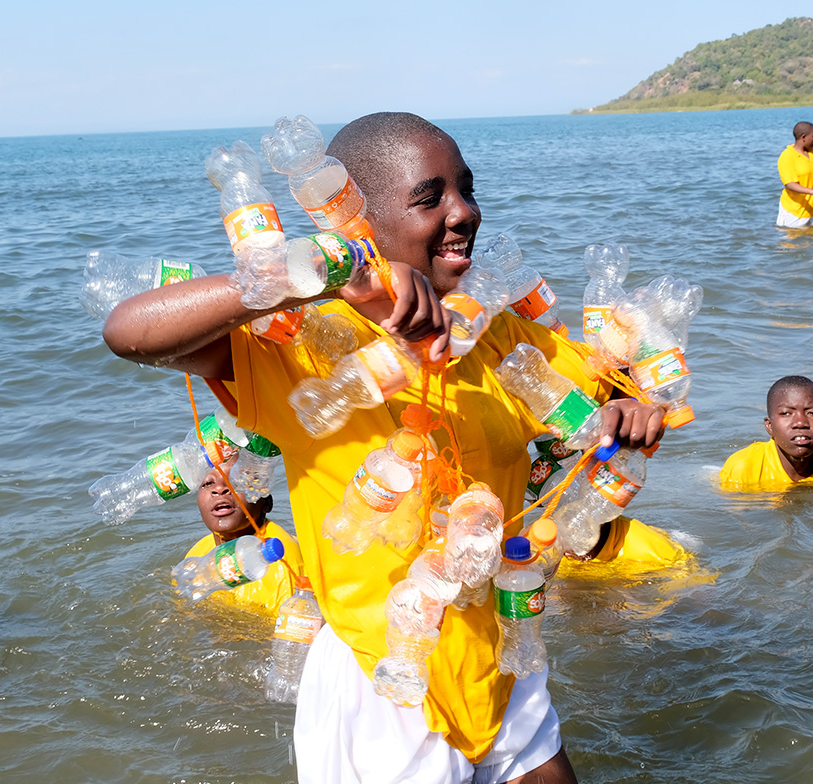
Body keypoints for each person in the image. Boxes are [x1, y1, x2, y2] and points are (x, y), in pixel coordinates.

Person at [104, 112, 666, 783]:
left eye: (467, 190)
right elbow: (130, 330)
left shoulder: (499, 337)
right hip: (383, 678)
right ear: (353, 217)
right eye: (429, 199)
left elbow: (617, 388)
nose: (463, 214)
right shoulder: (304, 344)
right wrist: (319, 271)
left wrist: (630, 408)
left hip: (498, 652)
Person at [181, 457, 303, 614]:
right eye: (208, 483)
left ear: (266, 503)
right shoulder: (198, 554)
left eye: (236, 480)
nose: (220, 489)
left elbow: (292, 634)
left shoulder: (281, 564)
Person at [719, 376, 813, 491]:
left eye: (812, 413)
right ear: (769, 426)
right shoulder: (743, 469)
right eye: (786, 413)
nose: (801, 423)